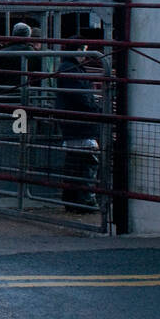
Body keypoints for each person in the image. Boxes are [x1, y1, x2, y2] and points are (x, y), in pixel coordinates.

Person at [55, 49, 102, 207]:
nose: (85, 54)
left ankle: (72, 200)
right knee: (87, 161)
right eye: (83, 50)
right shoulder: (72, 70)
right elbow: (81, 96)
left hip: (73, 123)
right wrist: (96, 109)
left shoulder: (67, 68)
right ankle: (86, 200)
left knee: (74, 163)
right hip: (81, 122)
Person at [0, 22, 39, 98]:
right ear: (28, 36)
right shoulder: (32, 53)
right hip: (26, 95)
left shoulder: (2, 53)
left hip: (4, 94)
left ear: (14, 34)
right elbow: (40, 76)